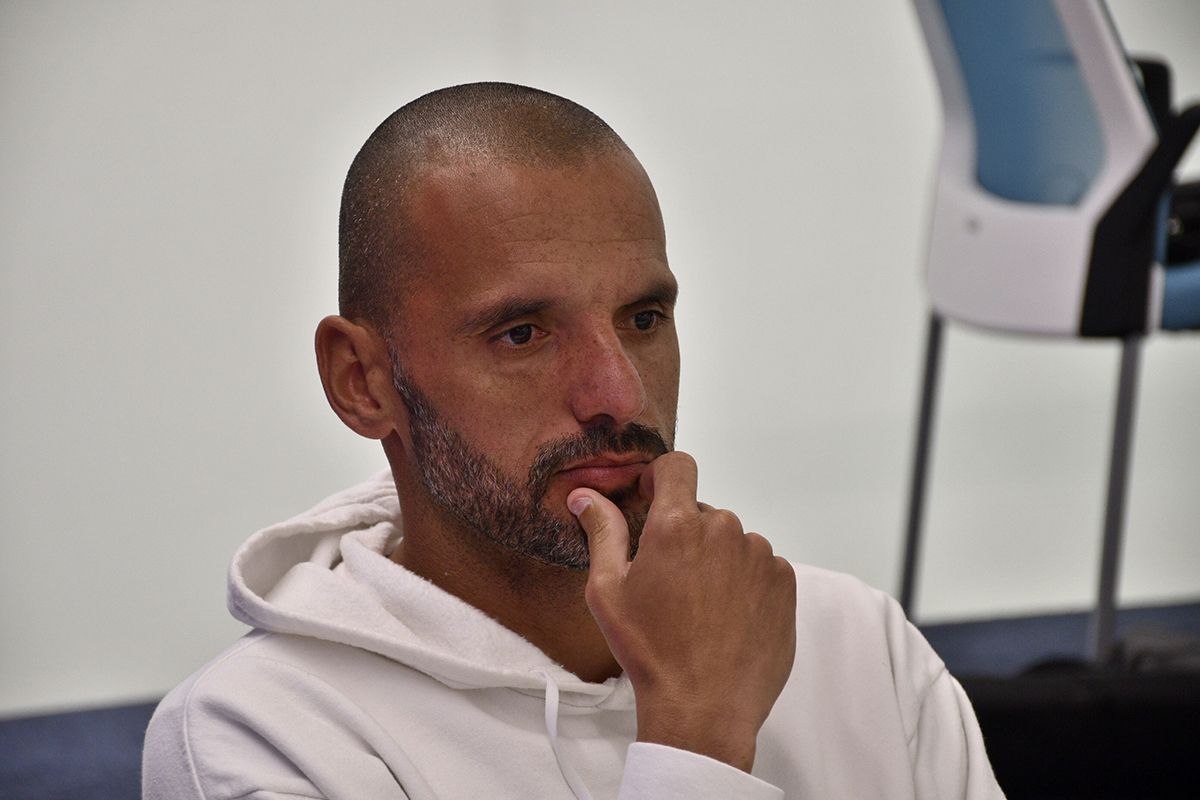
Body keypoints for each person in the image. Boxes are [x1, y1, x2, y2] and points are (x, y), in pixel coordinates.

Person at [142, 82, 1004, 799]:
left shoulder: (850, 641)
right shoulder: (263, 733)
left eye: (643, 318)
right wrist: (696, 734)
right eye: (521, 334)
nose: (618, 395)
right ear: (362, 381)